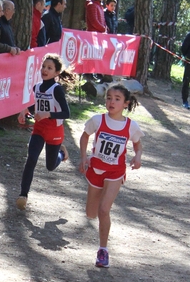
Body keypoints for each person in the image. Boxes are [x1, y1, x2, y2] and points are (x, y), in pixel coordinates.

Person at [78, 84, 143, 268]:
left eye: (117, 99)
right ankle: (98, 212)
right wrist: (84, 157)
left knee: (104, 210)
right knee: (91, 213)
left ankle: (103, 251)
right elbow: (84, 137)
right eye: (108, 97)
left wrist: (137, 157)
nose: (111, 101)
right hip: (96, 169)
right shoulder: (97, 120)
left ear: (125, 104)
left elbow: (138, 145)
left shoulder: (131, 126)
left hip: (115, 172)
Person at [15, 54, 75, 210]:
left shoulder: (57, 90)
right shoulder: (37, 87)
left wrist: (48, 114)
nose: (45, 70)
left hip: (54, 130)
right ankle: (23, 195)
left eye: (49, 68)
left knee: (50, 166)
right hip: (39, 129)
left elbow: (66, 113)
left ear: (56, 73)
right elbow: (39, 106)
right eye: (43, 66)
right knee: (31, 159)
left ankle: (62, 154)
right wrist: (25, 110)